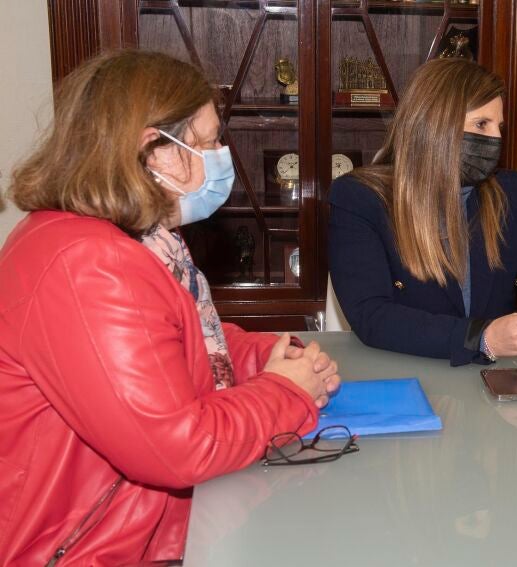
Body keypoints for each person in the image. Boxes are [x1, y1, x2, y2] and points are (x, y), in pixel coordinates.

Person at [0, 50, 340, 565]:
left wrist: (267, 355)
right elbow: (178, 447)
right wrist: (286, 392)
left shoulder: (133, 240)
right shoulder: (91, 264)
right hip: (86, 550)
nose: (220, 156)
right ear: (151, 151)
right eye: (206, 143)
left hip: (143, 532)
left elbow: (173, 344)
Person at [328, 58, 517, 366]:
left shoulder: (512, 193)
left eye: (499, 127)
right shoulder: (361, 197)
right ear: (436, 125)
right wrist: (479, 338)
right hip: (404, 372)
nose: (496, 138)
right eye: (482, 124)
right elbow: (371, 315)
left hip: (492, 380)